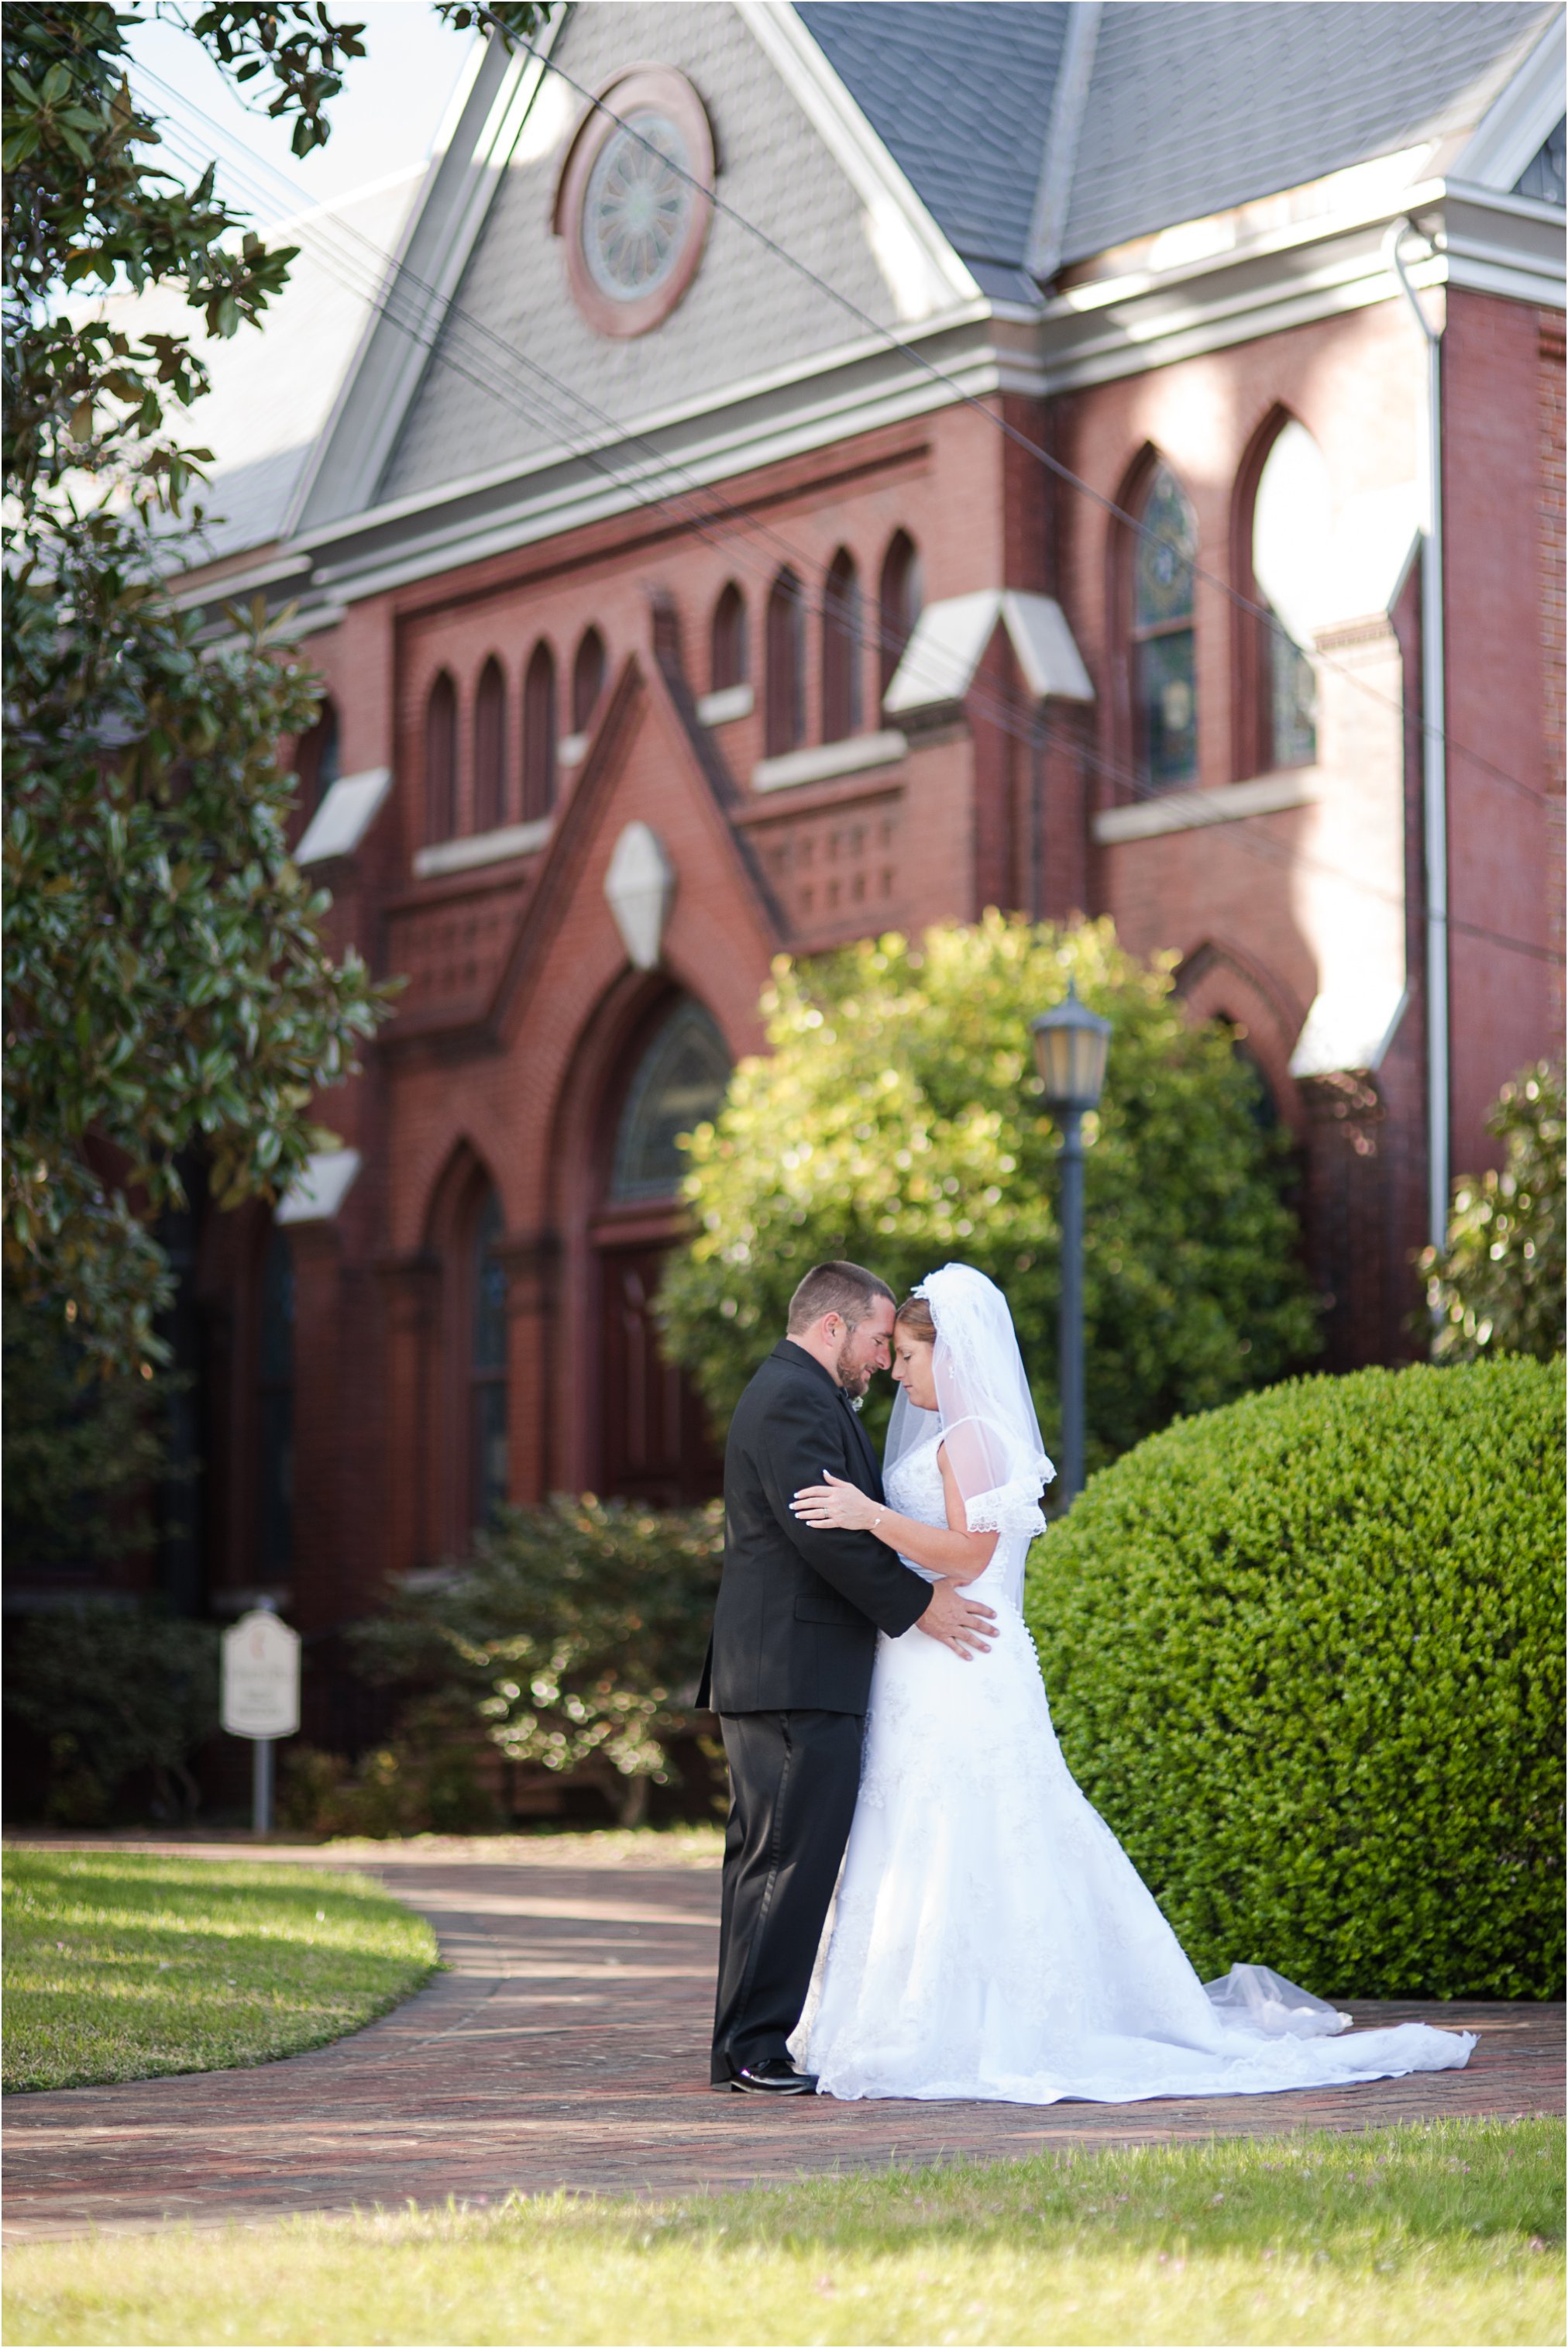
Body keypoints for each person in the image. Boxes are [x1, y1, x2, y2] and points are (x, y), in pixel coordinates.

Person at [787, 1262, 1477, 2103]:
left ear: (951, 1353)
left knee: (974, 1823)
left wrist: (872, 1518)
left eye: (907, 1356)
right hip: (923, 1663)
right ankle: (890, 2015)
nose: (896, 1372)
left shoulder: (970, 1439)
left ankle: (983, 2022)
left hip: (964, 1660)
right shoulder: (947, 1437)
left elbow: (972, 1555)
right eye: (889, 1354)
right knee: (914, 1826)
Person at [700, 1260, 998, 2094]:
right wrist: (917, 1607)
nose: (880, 1359)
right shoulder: (794, 1394)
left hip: (784, 1667)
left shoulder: (797, 1390)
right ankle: (756, 2048)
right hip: (796, 1669)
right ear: (830, 1328)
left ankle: (742, 2046)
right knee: (787, 1862)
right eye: (874, 1340)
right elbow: (822, 1536)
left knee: (766, 1859)